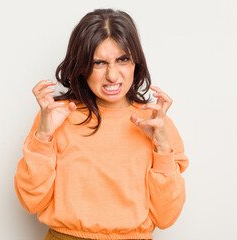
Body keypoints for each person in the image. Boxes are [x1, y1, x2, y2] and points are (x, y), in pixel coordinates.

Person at [14, 8, 189, 240]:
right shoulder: (57, 116)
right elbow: (30, 200)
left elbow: (166, 217)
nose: (113, 76)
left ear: (136, 62)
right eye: (99, 63)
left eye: (122, 59)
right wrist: (43, 137)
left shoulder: (155, 123)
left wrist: (163, 150)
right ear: (82, 66)